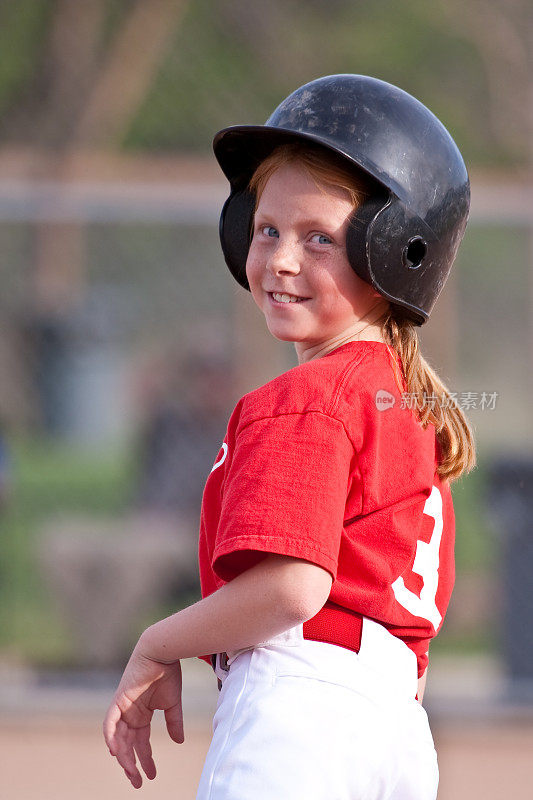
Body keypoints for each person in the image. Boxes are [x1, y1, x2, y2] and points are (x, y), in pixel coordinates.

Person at [103, 74, 476, 799]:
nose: (278, 259)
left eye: (318, 240)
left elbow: (293, 588)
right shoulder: (405, 405)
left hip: (303, 707)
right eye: (267, 228)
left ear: (394, 251)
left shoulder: (308, 397)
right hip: (396, 728)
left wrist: (158, 643)